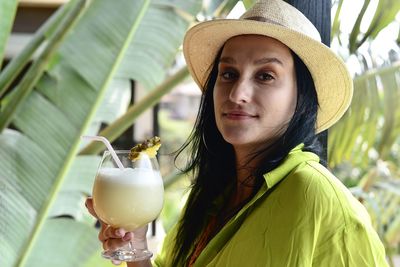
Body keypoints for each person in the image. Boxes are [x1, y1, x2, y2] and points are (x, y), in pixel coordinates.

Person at [86, 0, 389, 266]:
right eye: (228, 74)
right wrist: (137, 250)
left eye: (265, 76)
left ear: (302, 96)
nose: (237, 94)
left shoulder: (320, 200)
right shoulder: (211, 195)